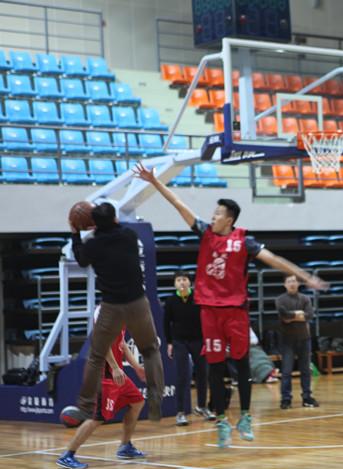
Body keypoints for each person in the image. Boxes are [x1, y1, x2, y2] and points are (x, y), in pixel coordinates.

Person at [134, 164, 327, 448]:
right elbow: (178, 204)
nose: (212, 216)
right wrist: (154, 181)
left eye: (217, 213)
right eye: (213, 213)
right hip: (210, 312)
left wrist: (306, 277)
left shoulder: (245, 241)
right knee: (214, 367)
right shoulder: (205, 233)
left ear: (229, 219)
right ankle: (222, 420)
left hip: (235, 312)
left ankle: (245, 417)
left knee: (241, 363)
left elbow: (274, 260)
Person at [65, 202, 164, 425]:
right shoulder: (129, 236)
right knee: (150, 350)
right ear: (115, 219)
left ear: (92, 225)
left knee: (96, 356)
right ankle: (156, 399)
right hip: (137, 302)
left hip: (111, 306)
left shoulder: (93, 245)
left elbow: (81, 259)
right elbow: (114, 228)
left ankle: (85, 407)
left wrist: (76, 233)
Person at [57, 321, 147, 469]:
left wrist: (137, 367)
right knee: (97, 419)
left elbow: (122, 344)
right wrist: (115, 367)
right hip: (105, 376)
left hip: (118, 376)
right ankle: (67, 455)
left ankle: (125, 446)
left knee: (137, 401)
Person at [164, 270, 213, 426]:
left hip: (198, 340)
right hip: (179, 341)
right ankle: (180, 412)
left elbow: (206, 319)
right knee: (182, 375)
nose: (182, 282)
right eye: (178, 280)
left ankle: (202, 407)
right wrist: (169, 343)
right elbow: (166, 323)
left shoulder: (198, 298)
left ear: (190, 282)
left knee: (202, 373)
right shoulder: (171, 300)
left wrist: (206, 339)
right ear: (175, 284)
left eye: (184, 279)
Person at [275, 274, 319, 409]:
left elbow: (309, 316)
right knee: (286, 371)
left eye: (294, 281)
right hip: (287, 340)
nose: (292, 283)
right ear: (285, 284)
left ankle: (307, 397)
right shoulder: (280, 299)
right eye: (289, 281)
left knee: (305, 370)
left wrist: (292, 316)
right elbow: (284, 317)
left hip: (304, 339)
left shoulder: (305, 298)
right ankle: (286, 399)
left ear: (298, 283)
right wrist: (299, 314)